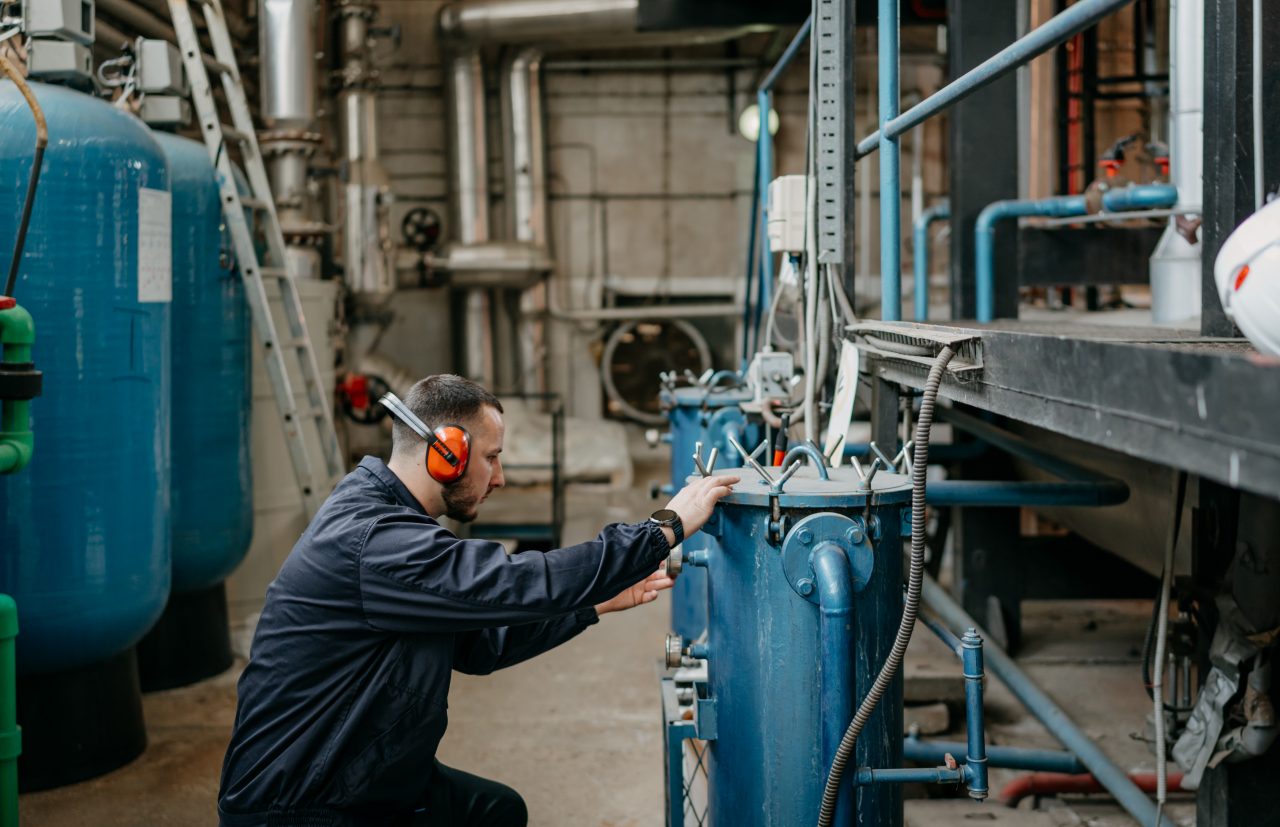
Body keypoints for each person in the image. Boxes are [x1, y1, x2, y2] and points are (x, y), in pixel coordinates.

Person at [218, 374, 739, 827]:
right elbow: (512, 583)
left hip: (357, 776)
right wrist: (662, 530)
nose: (501, 476)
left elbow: (478, 645)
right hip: (300, 807)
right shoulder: (374, 541)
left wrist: (592, 606)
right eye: (491, 458)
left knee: (494, 811)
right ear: (447, 453)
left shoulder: (390, 525)